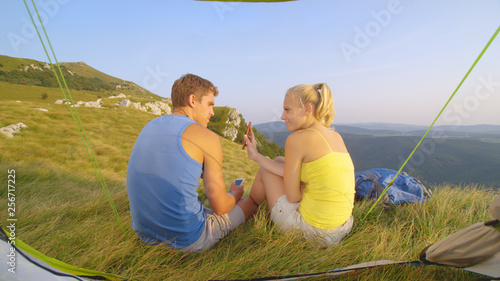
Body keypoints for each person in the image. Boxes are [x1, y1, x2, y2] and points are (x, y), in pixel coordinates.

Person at [126, 73, 257, 252]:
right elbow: (220, 207)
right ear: (193, 100)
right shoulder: (206, 137)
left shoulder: (150, 125)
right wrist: (234, 195)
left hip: (143, 234)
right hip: (186, 240)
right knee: (249, 203)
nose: (212, 112)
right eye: (210, 104)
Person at [244, 83, 355, 247]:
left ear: (307, 109)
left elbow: (293, 197)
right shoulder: (335, 136)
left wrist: (256, 157)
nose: (282, 116)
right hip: (343, 226)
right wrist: (257, 156)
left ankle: (252, 208)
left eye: (287, 110)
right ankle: (255, 206)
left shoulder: (297, 139)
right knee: (279, 160)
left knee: (266, 171)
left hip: (315, 233)